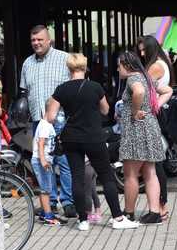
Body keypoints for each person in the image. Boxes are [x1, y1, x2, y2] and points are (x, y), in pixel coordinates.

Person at [47, 53, 139, 231]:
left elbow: (50, 117)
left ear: (69, 68)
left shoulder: (61, 89)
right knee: (106, 176)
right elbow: (105, 110)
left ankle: (82, 220)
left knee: (77, 177)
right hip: (93, 137)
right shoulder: (95, 87)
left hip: (71, 138)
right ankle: (118, 218)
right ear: (85, 67)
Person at [20, 25, 75, 218]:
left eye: (40, 39)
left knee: (64, 160)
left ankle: (69, 202)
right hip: (38, 120)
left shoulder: (64, 59)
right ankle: (49, 202)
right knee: (43, 161)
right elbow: (25, 91)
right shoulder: (27, 63)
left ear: (49, 40)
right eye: (33, 40)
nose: (36, 43)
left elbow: (75, 86)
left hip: (60, 120)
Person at [118, 51, 173, 225]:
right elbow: (168, 90)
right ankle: (154, 213)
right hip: (150, 126)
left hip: (136, 130)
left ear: (126, 65)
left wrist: (134, 112)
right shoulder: (147, 77)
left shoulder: (133, 79)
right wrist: (154, 106)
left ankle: (128, 213)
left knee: (131, 174)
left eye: (118, 66)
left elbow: (139, 92)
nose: (117, 70)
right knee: (150, 172)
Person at [138, 35, 173, 219]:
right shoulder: (162, 62)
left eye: (144, 50)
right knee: (155, 161)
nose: (142, 53)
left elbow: (142, 87)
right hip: (159, 113)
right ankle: (161, 204)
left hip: (154, 115)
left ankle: (161, 205)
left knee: (155, 162)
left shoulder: (155, 66)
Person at [31, 103, 60, 226]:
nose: (57, 116)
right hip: (41, 161)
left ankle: (44, 212)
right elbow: (40, 143)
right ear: (47, 111)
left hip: (45, 161)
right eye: (55, 112)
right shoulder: (44, 125)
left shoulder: (48, 125)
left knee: (46, 187)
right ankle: (48, 215)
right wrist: (43, 160)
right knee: (46, 189)